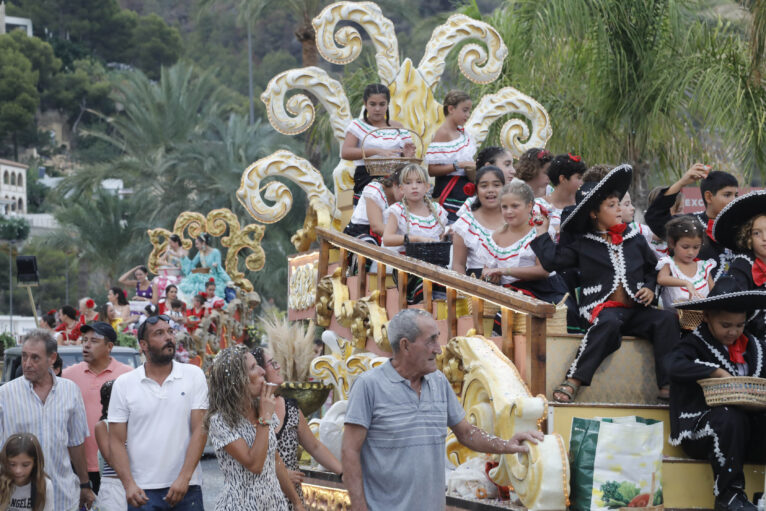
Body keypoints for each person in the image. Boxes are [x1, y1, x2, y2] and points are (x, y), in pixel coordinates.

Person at [342, 309, 543, 511]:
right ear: (405, 346)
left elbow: (466, 433)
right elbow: (350, 451)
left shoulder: (439, 382)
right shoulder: (369, 385)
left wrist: (507, 445)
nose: (439, 349)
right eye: (430, 341)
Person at [529, 165, 680, 402]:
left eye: (618, 203)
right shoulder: (584, 244)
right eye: (611, 205)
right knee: (608, 324)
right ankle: (574, 379)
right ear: (593, 214)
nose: (619, 208)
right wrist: (541, 233)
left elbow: (656, 268)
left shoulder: (635, 239)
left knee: (667, 320)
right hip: (601, 310)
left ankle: (668, 385)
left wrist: (651, 288)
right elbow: (551, 262)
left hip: (635, 310)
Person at [667, 277, 766, 511]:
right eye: (725, 325)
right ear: (707, 317)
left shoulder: (756, 346)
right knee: (729, 415)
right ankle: (728, 494)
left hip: (748, 433)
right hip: (702, 430)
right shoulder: (692, 344)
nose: (733, 331)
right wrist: (714, 371)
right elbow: (672, 365)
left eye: (739, 325)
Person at [108, 315, 208, 509]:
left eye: (170, 332)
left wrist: (184, 478)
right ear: (144, 345)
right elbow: (116, 440)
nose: (169, 337)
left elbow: (201, 430)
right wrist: (128, 484)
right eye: (159, 333)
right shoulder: (124, 384)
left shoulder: (193, 375)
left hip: (187, 488)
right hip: (142, 492)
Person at [0, 329, 94, 510]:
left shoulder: (70, 391)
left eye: (35, 358)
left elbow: (76, 443)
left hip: (62, 495)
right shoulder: (5, 395)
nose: (27, 363)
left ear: (52, 359)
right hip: (18, 500)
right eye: (24, 356)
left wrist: (84, 484)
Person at [206, 346, 305, 511]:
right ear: (237, 380)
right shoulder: (220, 421)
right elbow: (255, 465)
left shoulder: (261, 407)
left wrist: (296, 502)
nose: (262, 371)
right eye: (253, 367)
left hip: (274, 504)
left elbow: (274, 459)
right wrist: (265, 418)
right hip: (240, 505)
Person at [478, 180, 575, 333]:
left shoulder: (539, 232)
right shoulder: (494, 237)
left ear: (529, 206)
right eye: (504, 207)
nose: (509, 211)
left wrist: (505, 271)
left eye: (515, 206)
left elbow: (543, 270)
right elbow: (486, 273)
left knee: (558, 316)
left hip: (544, 290)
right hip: (509, 293)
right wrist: (491, 277)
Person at [253, 348, 343, 509]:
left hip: (292, 501)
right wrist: (278, 475)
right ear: (260, 371)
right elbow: (244, 460)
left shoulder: (290, 408)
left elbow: (314, 447)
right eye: (272, 364)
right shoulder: (248, 410)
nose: (278, 367)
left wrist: (343, 472)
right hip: (261, 500)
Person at [63, 322, 133, 494]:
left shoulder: (129, 376)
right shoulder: (68, 376)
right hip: (76, 467)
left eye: (94, 341)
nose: (86, 345)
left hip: (117, 468)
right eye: (84, 340)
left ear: (109, 346)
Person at [645, 164, 738, 280]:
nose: (734, 200)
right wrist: (682, 183)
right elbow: (655, 217)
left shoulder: (743, 227)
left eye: (736, 195)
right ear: (709, 197)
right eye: (727, 195)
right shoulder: (689, 224)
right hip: (693, 295)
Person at [383, 164, 449, 304]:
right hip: (407, 266)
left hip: (435, 265)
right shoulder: (398, 211)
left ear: (427, 187)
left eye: (419, 182)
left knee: (446, 279)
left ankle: (441, 312)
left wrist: (449, 237)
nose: (414, 187)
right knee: (425, 279)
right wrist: (414, 239)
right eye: (408, 183)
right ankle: (423, 308)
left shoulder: (437, 210)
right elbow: (387, 239)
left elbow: (441, 239)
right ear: (401, 188)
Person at [340, 84, 415, 203]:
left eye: (382, 104)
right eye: (373, 104)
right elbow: (345, 152)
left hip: (395, 179)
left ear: (387, 104)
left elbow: (406, 160)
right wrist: (376, 151)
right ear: (365, 103)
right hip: (367, 177)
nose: (377, 109)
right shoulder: (357, 126)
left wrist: (407, 156)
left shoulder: (398, 127)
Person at [712, 189, 766, 337]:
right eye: (757, 233)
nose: (765, 238)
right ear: (748, 237)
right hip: (751, 332)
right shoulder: (742, 265)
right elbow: (737, 307)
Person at [426, 90, 477, 222]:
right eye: (464, 110)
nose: (468, 115)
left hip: (465, 190)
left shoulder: (463, 132)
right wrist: (458, 165)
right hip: (448, 191)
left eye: (469, 111)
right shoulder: (442, 133)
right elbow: (432, 170)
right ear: (451, 109)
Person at [452, 166, 506, 277]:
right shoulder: (466, 223)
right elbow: (458, 265)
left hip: (514, 283)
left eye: (496, 185)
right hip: (477, 282)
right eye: (484, 186)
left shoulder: (514, 217)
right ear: (476, 190)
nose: (490, 190)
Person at [656, 216, 715, 309]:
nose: (691, 252)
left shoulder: (703, 267)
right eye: (685, 247)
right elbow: (662, 279)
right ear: (672, 243)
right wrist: (686, 283)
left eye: (696, 247)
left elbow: (714, 293)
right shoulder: (669, 264)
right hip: (673, 320)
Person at [343, 170, 403, 244]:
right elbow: (376, 227)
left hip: (384, 237)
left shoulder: (404, 200)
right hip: (359, 234)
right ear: (395, 184)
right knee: (369, 243)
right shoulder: (375, 190)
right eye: (403, 188)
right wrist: (405, 239)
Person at [455, 146, 516, 217]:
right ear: (488, 166)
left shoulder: (518, 201)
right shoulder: (470, 208)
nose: (513, 171)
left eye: (512, 165)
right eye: (507, 165)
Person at [94, 380, 126, 511]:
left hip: (138, 484)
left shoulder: (135, 423)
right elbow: (112, 460)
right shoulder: (103, 426)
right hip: (114, 487)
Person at [0, 433, 53, 511]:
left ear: (35, 463)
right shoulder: (2, 482)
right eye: (12, 464)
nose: (18, 471)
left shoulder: (44, 485)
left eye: (25, 465)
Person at [542, 153, 585, 238]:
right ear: (562, 178)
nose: (582, 182)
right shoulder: (538, 206)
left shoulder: (582, 207)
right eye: (579, 178)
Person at [179, 233, 230, 299]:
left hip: (214, 277)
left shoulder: (215, 252)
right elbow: (192, 264)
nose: (196, 246)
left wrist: (216, 265)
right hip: (202, 276)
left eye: (197, 244)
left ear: (203, 243)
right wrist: (184, 258)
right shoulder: (200, 252)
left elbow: (219, 267)